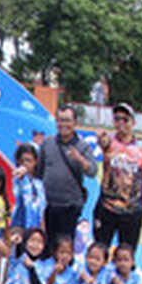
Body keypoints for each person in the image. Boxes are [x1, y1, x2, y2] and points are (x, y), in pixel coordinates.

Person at [35, 105, 96, 246]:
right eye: (60, 120)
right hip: (48, 205)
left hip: (70, 206)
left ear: (75, 123)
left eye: (67, 120)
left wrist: (80, 159)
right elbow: (39, 172)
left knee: (65, 246)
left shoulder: (83, 146)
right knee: (47, 245)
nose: (63, 124)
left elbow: (92, 172)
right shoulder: (48, 143)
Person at [95, 103, 142, 248]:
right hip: (107, 207)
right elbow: (102, 142)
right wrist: (101, 138)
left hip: (132, 210)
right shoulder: (109, 142)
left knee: (126, 254)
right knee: (100, 249)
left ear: (133, 122)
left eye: (125, 119)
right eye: (117, 119)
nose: (121, 123)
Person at [10, 143, 47, 231]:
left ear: (35, 162)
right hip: (19, 227)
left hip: (36, 229)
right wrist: (21, 175)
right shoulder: (17, 179)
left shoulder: (39, 184)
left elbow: (42, 208)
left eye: (29, 160)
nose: (25, 163)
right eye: (22, 160)